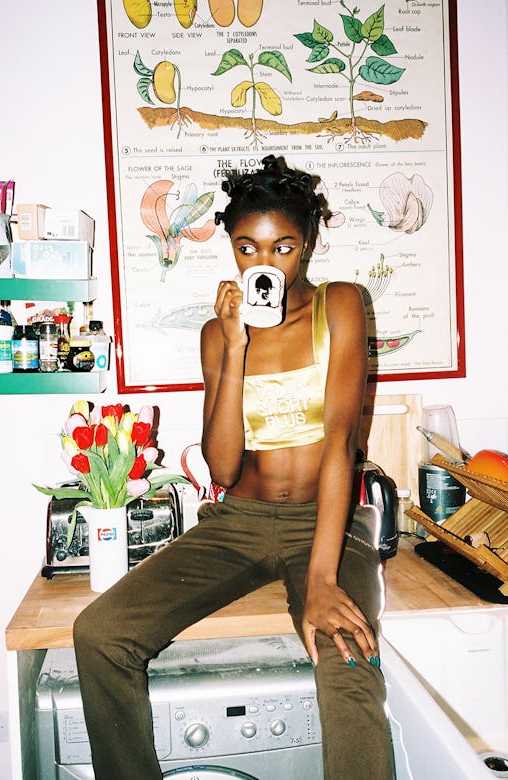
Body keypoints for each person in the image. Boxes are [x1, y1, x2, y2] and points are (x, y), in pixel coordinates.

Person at [73, 154, 395, 779]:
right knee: (100, 633)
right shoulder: (217, 333)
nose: (265, 265)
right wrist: (235, 344)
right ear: (231, 248)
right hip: (236, 522)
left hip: (323, 523)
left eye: (283, 248)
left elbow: (339, 443)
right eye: (248, 249)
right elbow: (220, 466)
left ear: (308, 245)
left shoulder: (343, 306)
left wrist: (323, 580)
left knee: (348, 663)